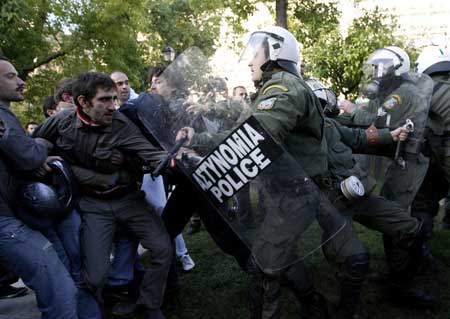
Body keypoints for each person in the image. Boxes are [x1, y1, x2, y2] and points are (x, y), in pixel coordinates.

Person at [178, 26, 331, 319]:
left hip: (295, 195)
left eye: (255, 55)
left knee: (263, 262)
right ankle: (310, 301)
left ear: (274, 53)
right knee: (274, 253)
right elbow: (243, 126)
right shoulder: (271, 89)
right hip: (286, 192)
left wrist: (203, 152)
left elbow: (255, 136)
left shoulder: (283, 88)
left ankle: (287, 307)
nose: (250, 62)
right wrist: (196, 137)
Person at [33, 71, 172, 319]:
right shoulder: (62, 122)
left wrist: (178, 157)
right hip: (93, 206)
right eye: (104, 100)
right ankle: (101, 307)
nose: (113, 106)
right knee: (95, 276)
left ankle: (149, 303)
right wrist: (43, 155)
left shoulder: (121, 124)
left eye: (114, 99)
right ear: (83, 103)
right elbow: (35, 142)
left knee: (162, 249)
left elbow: (151, 154)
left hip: (129, 200)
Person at [307, 79, 437, 316]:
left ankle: (400, 286)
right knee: (356, 258)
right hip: (331, 205)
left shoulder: (330, 126)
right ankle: (347, 311)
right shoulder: (295, 135)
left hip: (358, 194)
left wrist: (392, 134)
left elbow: (359, 138)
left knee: (413, 229)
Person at [0, 56, 78, 319]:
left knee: (63, 275)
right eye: (10, 77)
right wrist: (42, 147)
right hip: (6, 223)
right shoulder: (1, 116)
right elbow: (27, 156)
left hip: (16, 218)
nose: (21, 82)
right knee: (60, 291)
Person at [412, 45, 450, 231]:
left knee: (423, 197)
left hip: (440, 153)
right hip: (441, 152)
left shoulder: (425, 90)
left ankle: (418, 246)